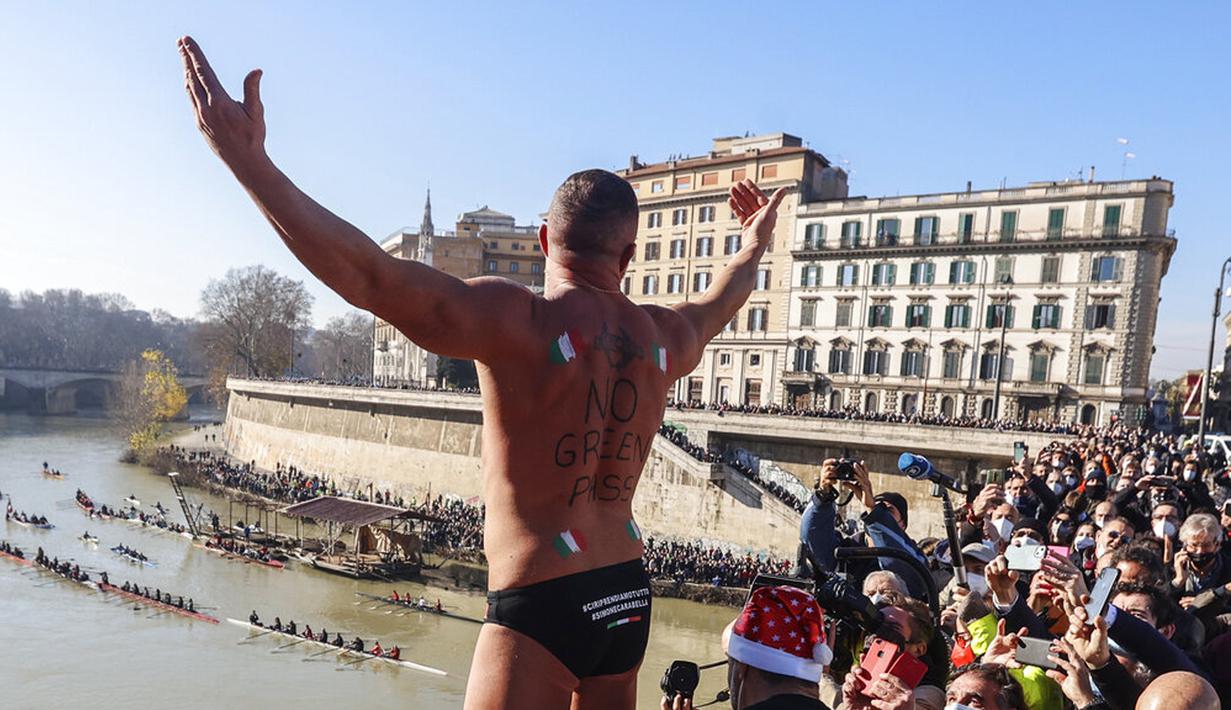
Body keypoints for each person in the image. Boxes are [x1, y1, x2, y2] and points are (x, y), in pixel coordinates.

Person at [179, 34, 789, 710]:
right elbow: (723, 298)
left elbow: (369, 277)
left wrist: (247, 161)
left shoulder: (519, 322)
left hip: (540, 598)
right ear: (632, 252)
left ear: (543, 241)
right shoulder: (666, 337)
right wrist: (755, 242)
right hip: (626, 590)